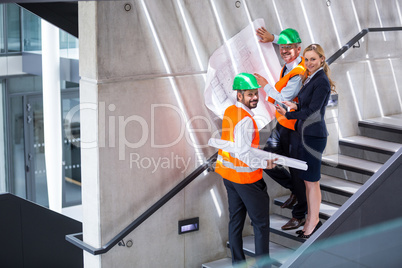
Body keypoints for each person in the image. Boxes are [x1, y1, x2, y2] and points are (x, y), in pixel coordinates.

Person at [215, 73, 277, 267]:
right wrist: (264, 163)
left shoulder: (230, 112)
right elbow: (243, 154)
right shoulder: (247, 120)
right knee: (261, 225)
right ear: (239, 95)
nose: (255, 97)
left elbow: (235, 147)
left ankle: (237, 263)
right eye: (250, 94)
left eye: (255, 93)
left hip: (229, 176)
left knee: (235, 222)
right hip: (247, 180)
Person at [276, 44, 336, 239]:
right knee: (308, 182)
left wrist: (290, 114)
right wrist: (294, 104)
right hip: (306, 135)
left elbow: (313, 112)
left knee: (312, 182)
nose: (309, 63)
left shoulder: (321, 81)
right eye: (307, 59)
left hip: (313, 137)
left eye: (313, 59)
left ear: (321, 59)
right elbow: (306, 103)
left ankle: (313, 221)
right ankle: (312, 219)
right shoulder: (310, 78)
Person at [254, 27, 307, 231]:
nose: (284, 51)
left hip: (295, 127)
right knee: (267, 157)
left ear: (298, 49)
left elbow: (284, 97)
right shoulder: (290, 62)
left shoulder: (299, 72)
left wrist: (266, 86)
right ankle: (293, 189)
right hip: (282, 124)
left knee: (295, 169)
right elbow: (286, 45)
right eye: (282, 47)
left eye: (289, 48)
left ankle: (299, 215)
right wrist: (273, 38)